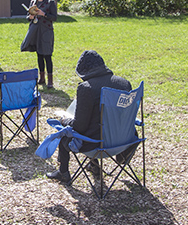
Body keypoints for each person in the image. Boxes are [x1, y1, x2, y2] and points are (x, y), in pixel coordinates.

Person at [47, 50, 135, 182]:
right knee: (98, 121)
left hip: (97, 144)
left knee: (64, 133)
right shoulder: (124, 83)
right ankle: (95, 165)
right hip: (125, 139)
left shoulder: (87, 88)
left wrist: (66, 121)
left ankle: (63, 172)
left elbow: (80, 127)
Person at [26, 0, 58, 88]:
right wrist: (30, 17)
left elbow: (54, 17)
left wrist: (44, 14)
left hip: (46, 31)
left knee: (47, 55)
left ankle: (50, 80)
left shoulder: (50, 2)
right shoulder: (33, 2)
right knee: (39, 55)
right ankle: (42, 78)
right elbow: (27, 17)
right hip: (36, 31)